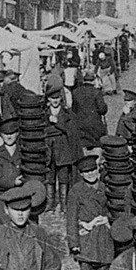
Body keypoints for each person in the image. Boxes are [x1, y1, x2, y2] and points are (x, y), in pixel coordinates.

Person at [66, 154, 114, 270]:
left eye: (93, 170)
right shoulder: (76, 191)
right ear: (80, 174)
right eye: (86, 172)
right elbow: (71, 218)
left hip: (104, 234)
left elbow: (115, 208)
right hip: (85, 235)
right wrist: (73, 242)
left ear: (98, 170)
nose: (91, 174)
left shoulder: (107, 187)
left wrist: (108, 218)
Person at [44, 86, 82, 214]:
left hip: (64, 151)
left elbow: (71, 131)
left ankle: (64, 204)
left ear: (61, 98)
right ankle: (50, 204)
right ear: (48, 99)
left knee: (63, 179)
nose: (55, 100)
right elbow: (43, 131)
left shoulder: (67, 114)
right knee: (50, 178)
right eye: (52, 98)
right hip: (49, 151)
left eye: (57, 97)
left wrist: (57, 124)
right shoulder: (44, 114)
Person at [71, 70, 108, 155]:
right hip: (94, 127)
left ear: (84, 80)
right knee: (97, 149)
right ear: (94, 80)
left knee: (83, 150)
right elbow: (102, 110)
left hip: (81, 126)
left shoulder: (75, 92)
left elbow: (74, 110)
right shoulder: (97, 92)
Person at [0, 116, 23, 198]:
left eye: (12, 133)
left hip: (21, 193)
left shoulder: (23, 151)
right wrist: (12, 183)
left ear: (17, 133)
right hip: (1, 195)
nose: (9, 137)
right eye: (6, 134)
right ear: (0, 135)